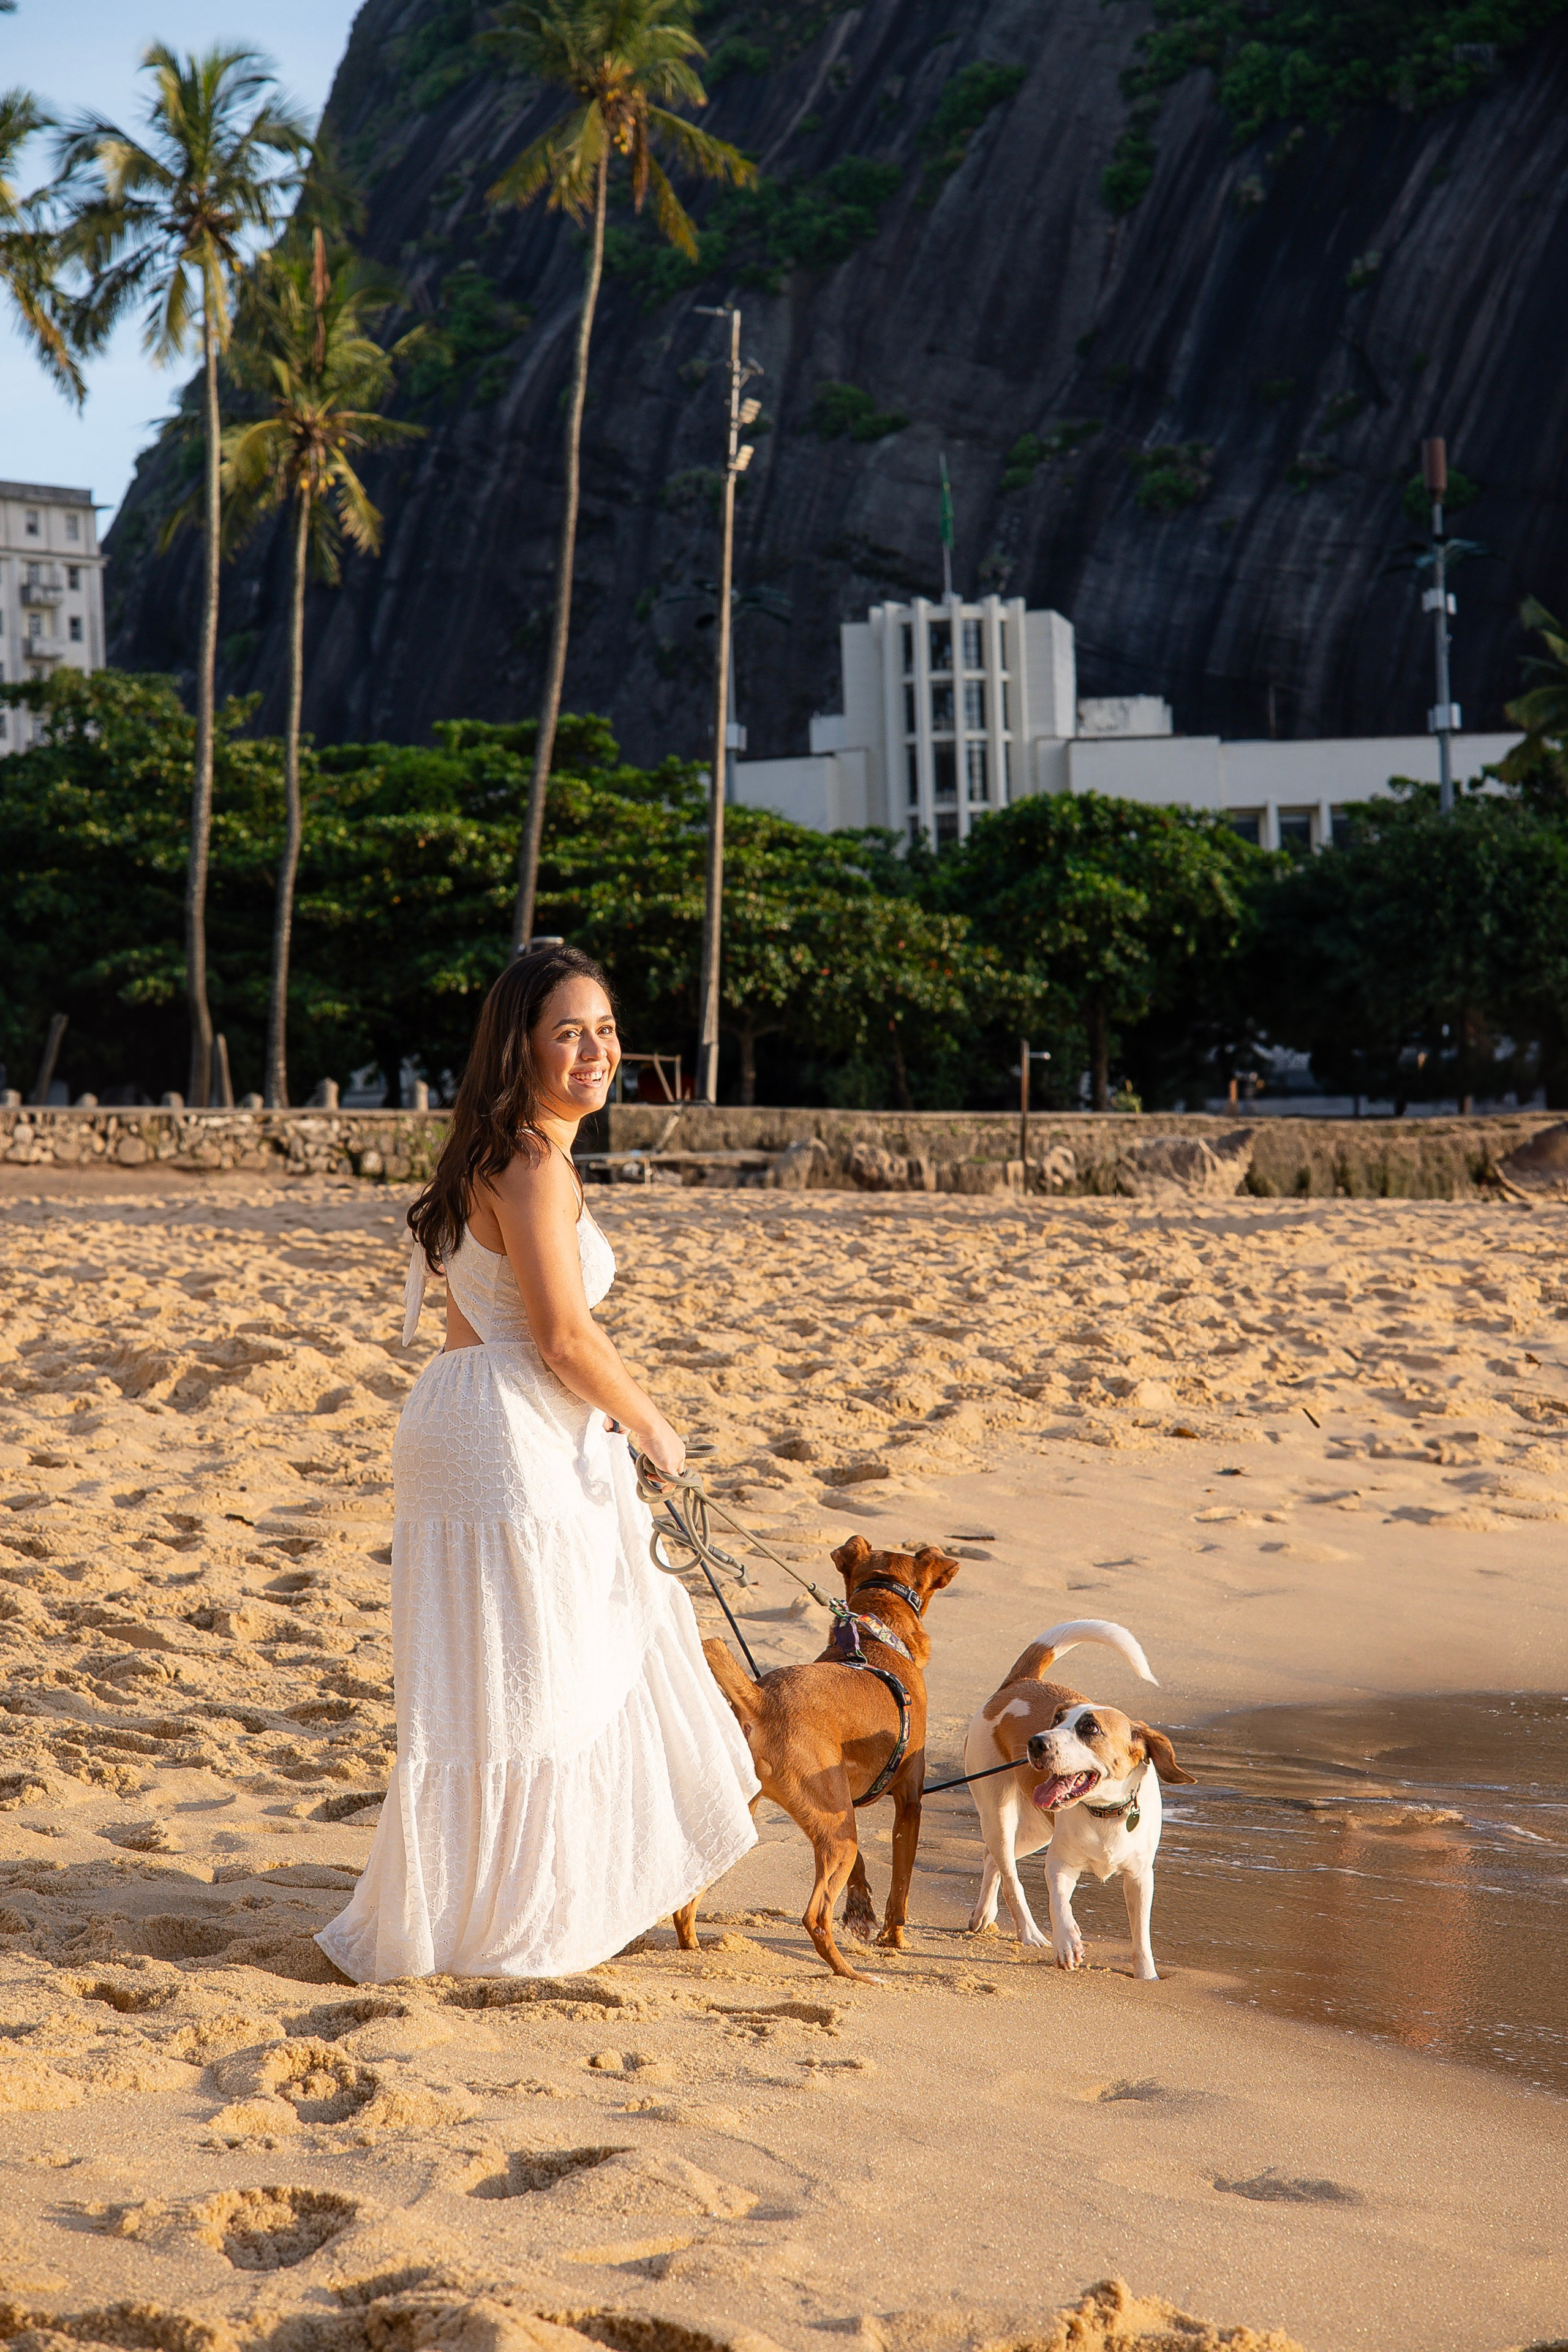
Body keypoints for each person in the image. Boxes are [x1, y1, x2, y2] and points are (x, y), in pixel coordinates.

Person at [316, 946, 759, 1981]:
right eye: (572, 1031)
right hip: (505, 1434)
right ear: (522, 1046)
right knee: (543, 1674)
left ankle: (477, 1909)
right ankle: (522, 1918)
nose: (597, 1050)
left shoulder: (490, 1151)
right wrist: (652, 1426)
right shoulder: (532, 1161)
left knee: (492, 1677)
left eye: (606, 1030)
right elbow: (561, 1337)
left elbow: (489, 1323)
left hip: (469, 1415)